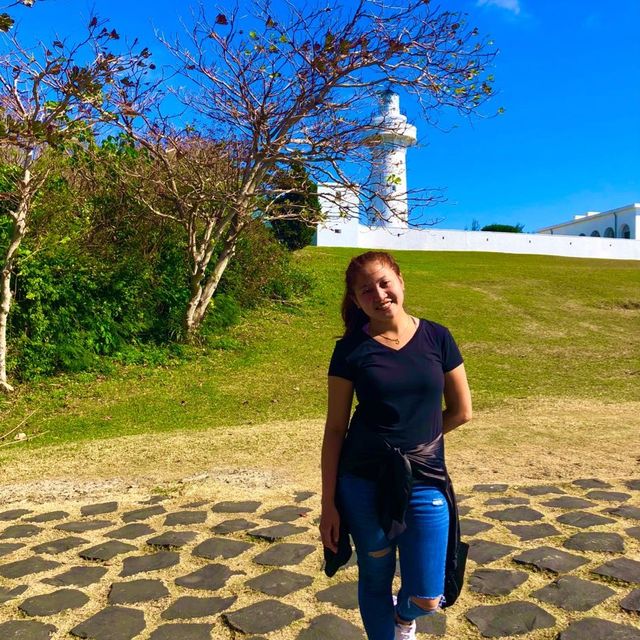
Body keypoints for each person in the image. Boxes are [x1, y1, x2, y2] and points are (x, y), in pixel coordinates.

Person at [320, 251, 472, 640]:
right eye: (366, 290)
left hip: (424, 476)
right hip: (361, 479)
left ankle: (404, 618)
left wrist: (415, 446)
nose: (379, 294)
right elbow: (336, 428)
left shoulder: (437, 336)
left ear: (401, 282)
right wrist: (328, 505)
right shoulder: (350, 350)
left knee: (428, 595)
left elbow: (461, 411)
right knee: (375, 573)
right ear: (356, 300)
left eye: (385, 282)